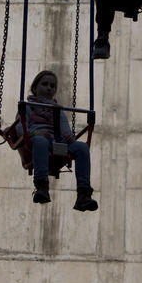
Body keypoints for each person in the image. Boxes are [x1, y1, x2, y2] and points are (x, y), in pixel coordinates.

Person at [24, 70, 97, 212]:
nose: (49, 88)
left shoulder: (58, 111)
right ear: (35, 88)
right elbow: (21, 128)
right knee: (41, 141)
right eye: (44, 84)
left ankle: (83, 193)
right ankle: (41, 186)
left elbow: (65, 130)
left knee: (81, 147)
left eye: (52, 86)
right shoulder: (28, 108)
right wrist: (35, 132)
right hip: (38, 141)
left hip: (57, 143)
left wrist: (69, 137)